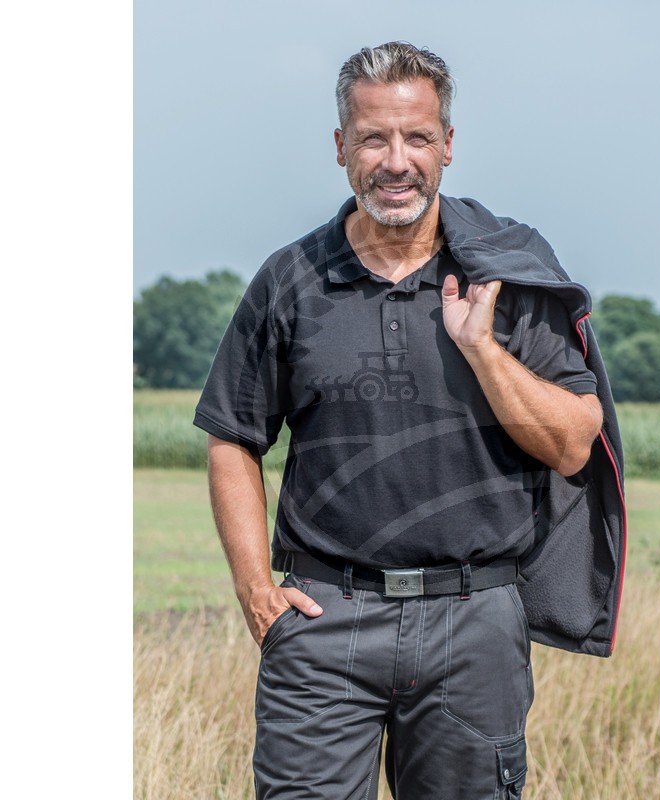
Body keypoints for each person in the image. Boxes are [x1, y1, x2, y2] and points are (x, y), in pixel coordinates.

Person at [194, 41, 625, 800]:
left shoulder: (506, 272)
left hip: (474, 623)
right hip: (324, 618)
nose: (396, 162)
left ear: (447, 145)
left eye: (417, 137)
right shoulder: (289, 280)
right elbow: (233, 435)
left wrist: (483, 350)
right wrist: (257, 592)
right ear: (341, 147)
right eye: (374, 138)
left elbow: (570, 444)